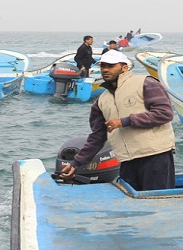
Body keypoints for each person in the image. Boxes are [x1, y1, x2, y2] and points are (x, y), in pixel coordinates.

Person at [59, 50, 176, 191]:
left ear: (124, 67)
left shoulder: (145, 83)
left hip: (155, 156)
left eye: (111, 66)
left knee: (158, 204)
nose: (105, 69)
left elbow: (164, 113)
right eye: (103, 66)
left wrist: (125, 121)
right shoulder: (101, 101)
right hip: (126, 161)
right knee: (132, 207)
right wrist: (76, 163)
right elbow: (97, 136)